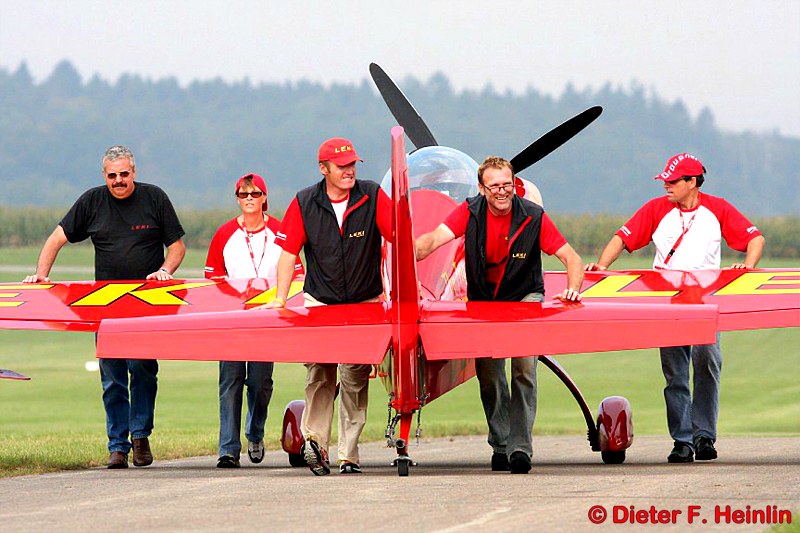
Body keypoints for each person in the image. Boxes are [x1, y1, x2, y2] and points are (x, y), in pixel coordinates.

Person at [585, 153, 765, 463]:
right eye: (665, 181)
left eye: (672, 181)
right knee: (675, 374)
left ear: (692, 182)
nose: (666, 186)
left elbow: (755, 238)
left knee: (707, 362)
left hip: (706, 301)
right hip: (667, 302)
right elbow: (622, 238)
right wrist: (602, 266)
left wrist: (747, 267)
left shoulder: (718, 208)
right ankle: (682, 441)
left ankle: (704, 436)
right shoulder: (655, 209)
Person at [415, 156, 583, 474]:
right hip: (484, 302)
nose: (502, 191)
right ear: (482, 188)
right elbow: (434, 239)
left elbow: (571, 257)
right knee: (489, 374)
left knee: (524, 369)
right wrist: (410, 251)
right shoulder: (469, 211)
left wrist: (573, 288)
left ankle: (520, 449)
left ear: (514, 184)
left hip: (524, 296)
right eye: (494, 186)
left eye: (507, 184)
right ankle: (501, 444)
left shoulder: (532, 215)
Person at [23, 145, 186, 469]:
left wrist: (165, 270)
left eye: (124, 174)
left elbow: (178, 247)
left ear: (134, 172)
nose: (118, 181)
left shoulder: (154, 198)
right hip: (105, 308)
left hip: (146, 306)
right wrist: (41, 276)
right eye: (112, 176)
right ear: (104, 175)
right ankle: (117, 447)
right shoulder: (92, 201)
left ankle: (140, 436)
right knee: (112, 377)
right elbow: (56, 239)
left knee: (143, 370)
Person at [262, 137, 392, 475]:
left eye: (352, 165)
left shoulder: (373, 194)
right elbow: (288, 253)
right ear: (324, 169)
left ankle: (349, 455)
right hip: (320, 302)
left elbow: (400, 237)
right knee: (319, 372)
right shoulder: (304, 201)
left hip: (365, 302)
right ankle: (315, 444)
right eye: (342, 166)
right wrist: (280, 298)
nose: (349, 171)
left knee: (354, 377)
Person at [204, 173, 303, 468]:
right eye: (243, 194)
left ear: (264, 198)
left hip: (267, 318)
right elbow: (212, 279)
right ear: (237, 199)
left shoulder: (280, 231)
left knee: (260, 383)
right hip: (233, 320)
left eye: (255, 194)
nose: (249, 199)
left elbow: (297, 273)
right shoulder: (224, 234)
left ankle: (255, 431)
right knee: (230, 381)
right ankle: (228, 449)